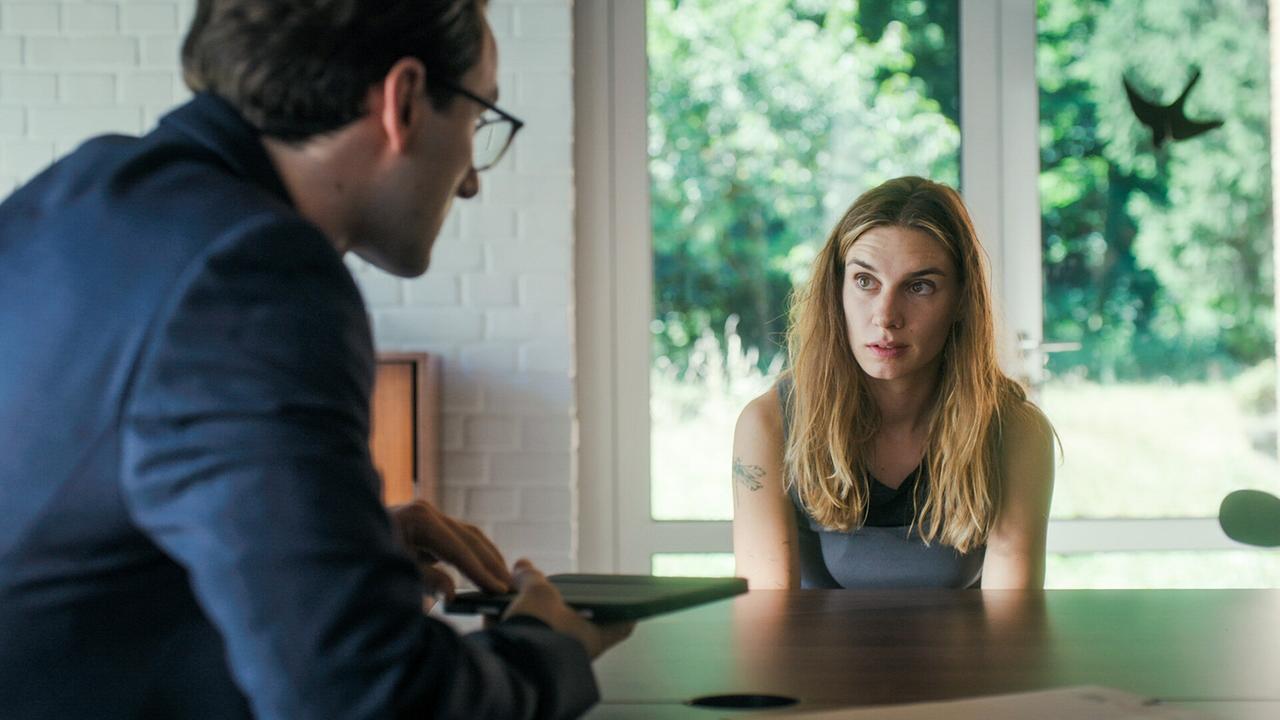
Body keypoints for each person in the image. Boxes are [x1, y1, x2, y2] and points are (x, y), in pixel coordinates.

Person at [0, 1, 627, 718]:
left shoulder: (76, 195)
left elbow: (84, 566)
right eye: (479, 118)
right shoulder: (254, 273)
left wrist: (338, 546)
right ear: (406, 101)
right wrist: (545, 650)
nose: (470, 181)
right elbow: (365, 697)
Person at [732, 176, 1056, 590]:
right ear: (837, 291)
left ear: (960, 300)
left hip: (970, 656)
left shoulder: (1014, 430)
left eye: (919, 287)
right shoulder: (768, 425)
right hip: (810, 656)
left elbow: (1012, 620)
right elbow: (765, 618)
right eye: (865, 281)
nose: (886, 316)